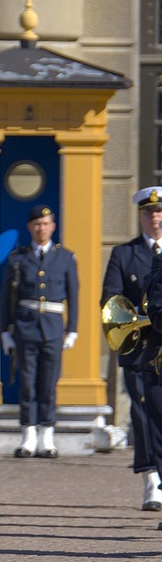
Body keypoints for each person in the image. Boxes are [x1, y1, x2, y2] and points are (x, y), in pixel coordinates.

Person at [1, 205, 78, 459]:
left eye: (45, 224)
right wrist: (5, 331)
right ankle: (28, 436)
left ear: (53, 226)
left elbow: (74, 297)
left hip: (54, 328)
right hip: (25, 327)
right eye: (36, 224)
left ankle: (47, 436)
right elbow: (6, 299)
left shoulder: (65, 258)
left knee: (48, 384)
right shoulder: (17, 258)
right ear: (29, 227)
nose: (41, 228)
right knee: (27, 384)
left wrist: (73, 329)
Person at [103, 187, 162, 510]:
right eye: (149, 211)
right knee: (142, 415)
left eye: (159, 211)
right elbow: (110, 301)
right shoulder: (124, 254)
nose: (155, 216)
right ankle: (151, 477)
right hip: (140, 347)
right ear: (141, 215)